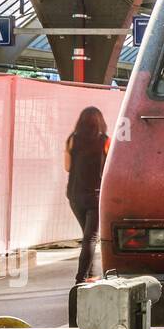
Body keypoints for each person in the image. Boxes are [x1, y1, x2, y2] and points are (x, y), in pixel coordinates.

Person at [65, 106, 109, 284]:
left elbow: (67, 167)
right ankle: (81, 278)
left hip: (75, 195)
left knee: (87, 235)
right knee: (90, 237)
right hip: (95, 196)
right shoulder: (105, 141)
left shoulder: (72, 140)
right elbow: (109, 168)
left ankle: (91, 273)